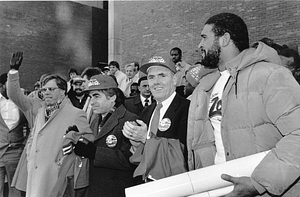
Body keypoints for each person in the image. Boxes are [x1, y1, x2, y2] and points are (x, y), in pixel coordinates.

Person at [188, 12, 300, 196]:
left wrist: (260, 183)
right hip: (219, 189)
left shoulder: (271, 75)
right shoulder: (207, 85)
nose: (200, 45)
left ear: (224, 39)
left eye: (204, 37)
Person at [7, 52, 94, 197]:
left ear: (62, 91)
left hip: (57, 178)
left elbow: (87, 141)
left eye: (51, 89)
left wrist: (67, 156)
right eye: (44, 90)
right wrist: (13, 71)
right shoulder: (37, 108)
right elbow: (14, 95)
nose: (46, 93)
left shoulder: (75, 113)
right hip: (34, 173)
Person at [122, 54, 190, 181]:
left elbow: (183, 152)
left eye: (162, 76)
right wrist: (136, 144)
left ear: (174, 79)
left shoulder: (187, 108)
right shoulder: (147, 111)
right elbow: (141, 155)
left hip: (174, 183)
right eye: (151, 77)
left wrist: (145, 138)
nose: (156, 82)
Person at [80, 74, 139, 197]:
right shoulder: (96, 119)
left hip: (117, 190)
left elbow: (131, 160)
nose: (92, 102)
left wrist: (95, 153)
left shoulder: (129, 120)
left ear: (112, 97)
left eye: (96, 96)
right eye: (90, 97)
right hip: (96, 188)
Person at [0, 73, 28, 197]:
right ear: (1, 86)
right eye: (10, 84)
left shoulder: (22, 101)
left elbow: (31, 124)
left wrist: (26, 144)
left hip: (16, 151)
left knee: (16, 189)